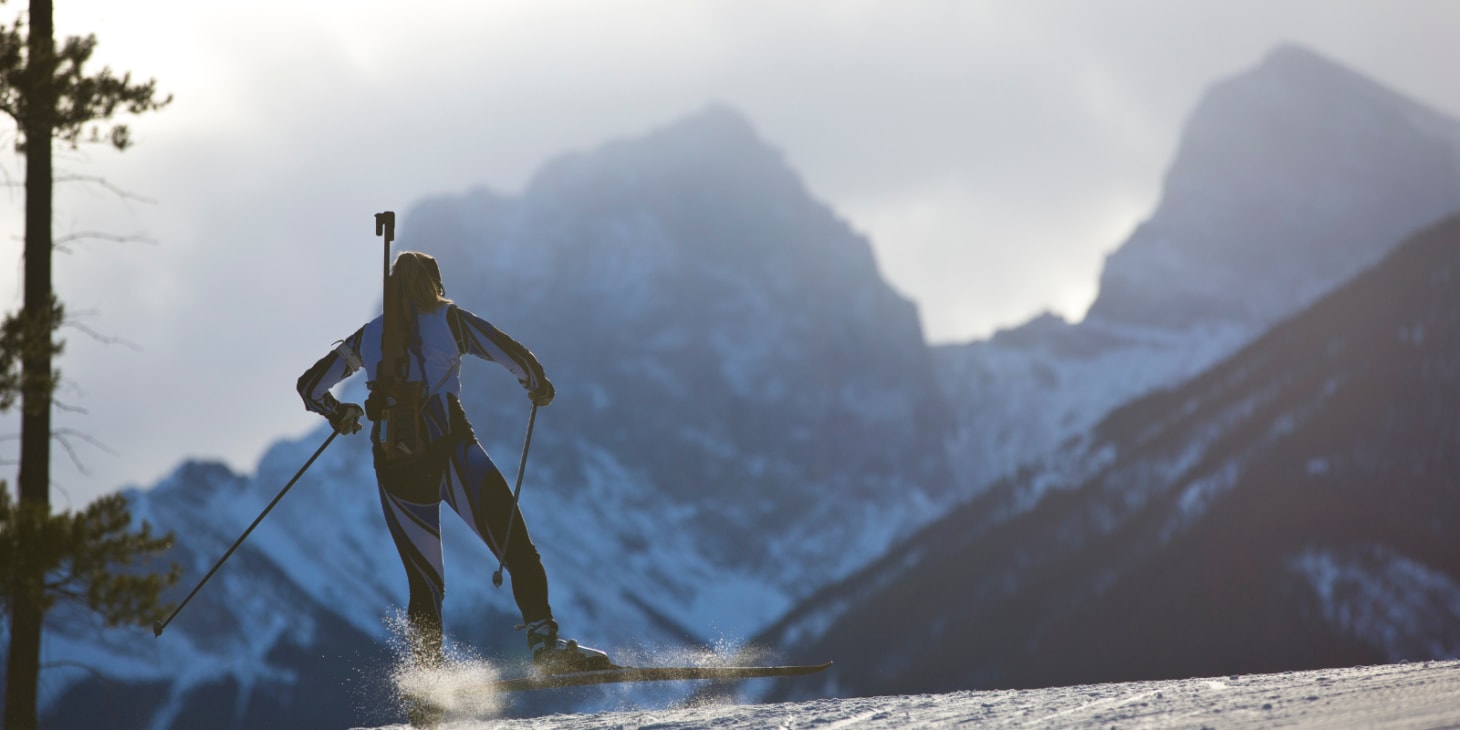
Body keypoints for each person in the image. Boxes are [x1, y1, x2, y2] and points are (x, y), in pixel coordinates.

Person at [296, 250, 609, 676]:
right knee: (516, 548)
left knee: (425, 584)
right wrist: (536, 385)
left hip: (395, 466)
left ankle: (427, 684)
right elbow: (512, 354)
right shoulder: (450, 319)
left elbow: (311, 386)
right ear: (434, 283)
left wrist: (341, 413)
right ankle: (544, 645)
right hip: (451, 453)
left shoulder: (369, 335)